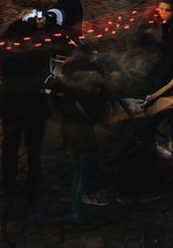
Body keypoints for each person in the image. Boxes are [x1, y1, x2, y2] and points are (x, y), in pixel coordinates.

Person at [0, 10, 67, 200]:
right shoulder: (39, 52)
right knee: (34, 147)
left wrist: (19, 21)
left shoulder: (6, 52)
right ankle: (33, 183)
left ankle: (8, 183)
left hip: (11, 105)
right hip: (33, 106)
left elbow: (4, 37)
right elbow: (54, 45)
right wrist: (41, 28)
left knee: (9, 146)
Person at [51, 43, 112, 226]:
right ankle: (78, 215)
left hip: (69, 129)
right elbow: (102, 105)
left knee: (77, 169)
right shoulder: (94, 79)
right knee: (82, 174)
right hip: (85, 131)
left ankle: (76, 209)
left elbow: (56, 102)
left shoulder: (63, 73)